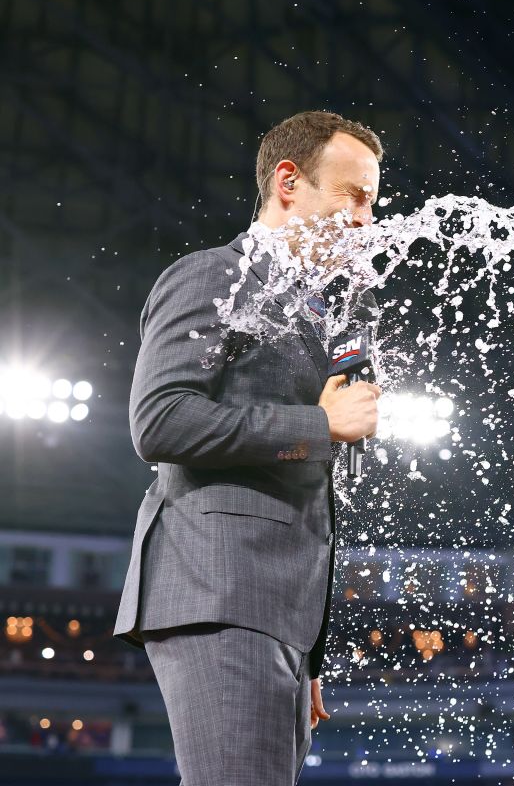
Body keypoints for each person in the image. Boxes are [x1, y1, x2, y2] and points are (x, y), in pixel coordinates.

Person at [114, 111, 384, 785]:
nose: (366, 219)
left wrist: (307, 654)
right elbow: (161, 421)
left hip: (269, 618)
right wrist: (319, 426)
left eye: (373, 202)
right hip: (221, 593)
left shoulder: (318, 312)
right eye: (353, 195)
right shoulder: (212, 275)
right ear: (288, 183)